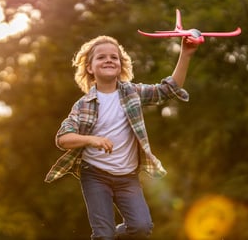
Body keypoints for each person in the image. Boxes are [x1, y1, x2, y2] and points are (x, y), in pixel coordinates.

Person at [45, 35, 198, 240]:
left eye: (114, 57)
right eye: (101, 57)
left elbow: (168, 90)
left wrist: (186, 54)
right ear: (90, 68)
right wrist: (92, 140)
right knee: (103, 234)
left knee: (141, 228)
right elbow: (63, 138)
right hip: (95, 175)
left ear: (120, 65)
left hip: (127, 177)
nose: (109, 60)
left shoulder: (132, 93)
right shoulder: (83, 105)